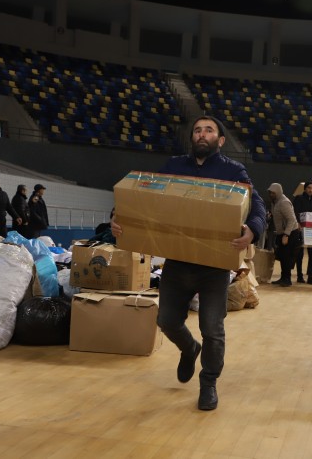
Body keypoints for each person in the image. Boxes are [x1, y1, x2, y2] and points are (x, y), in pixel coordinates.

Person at [111, 115, 266, 411]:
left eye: (209, 130)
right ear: (192, 138)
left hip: (214, 266)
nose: (202, 134)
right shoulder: (174, 167)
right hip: (178, 261)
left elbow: (255, 202)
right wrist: (118, 217)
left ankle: (208, 383)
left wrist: (253, 228)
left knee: (212, 328)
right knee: (167, 320)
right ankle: (188, 348)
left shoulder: (232, 170)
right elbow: (143, 198)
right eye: (197, 130)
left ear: (220, 141)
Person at [267, 183, 300, 287]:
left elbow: (292, 219)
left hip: (290, 233)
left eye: (273, 192)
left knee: (287, 256)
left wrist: (286, 235)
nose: (271, 194)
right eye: (270, 192)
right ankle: (283, 277)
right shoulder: (275, 202)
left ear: (278, 192)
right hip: (282, 233)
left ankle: (287, 279)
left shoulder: (284, 202)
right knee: (282, 256)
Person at [292, 181, 312, 284]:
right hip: (300, 229)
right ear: (305, 188)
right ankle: (299, 276)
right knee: (299, 254)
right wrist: (298, 224)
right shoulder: (299, 199)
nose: (311, 190)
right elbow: (294, 212)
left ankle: (310, 277)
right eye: (309, 188)